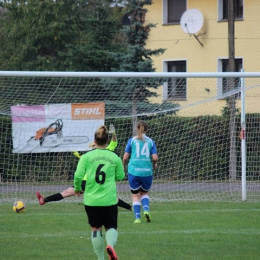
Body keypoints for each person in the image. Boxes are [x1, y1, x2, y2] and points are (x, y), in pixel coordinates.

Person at [36, 124, 132, 211]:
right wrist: (79, 156)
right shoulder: (93, 155)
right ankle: (45, 199)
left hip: (89, 182)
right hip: (88, 182)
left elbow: (114, 143)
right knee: (66, 192)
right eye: (93, 147)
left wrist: (113, 134)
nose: (94, 148)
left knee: (112, 199)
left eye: (94, 146)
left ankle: (131, 208)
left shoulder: (105, 151)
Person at [74, 125, 125, 260]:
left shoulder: (86, 157)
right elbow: (120, 176)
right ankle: (111, 246)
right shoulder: (114, 157)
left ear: (94, 140)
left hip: (91, 200)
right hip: (109, 199)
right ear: (107, 140)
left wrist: (78, 188)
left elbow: (78, 176)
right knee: (111, 227)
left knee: (95, 229)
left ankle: (100, 258)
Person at [123, 120, 158, 224]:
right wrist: (153, 164)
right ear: (147, 130)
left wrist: (124, 166)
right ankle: (146, 210)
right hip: (147, 172)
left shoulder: (132, 140)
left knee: (135, 195)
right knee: (144, 193)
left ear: (137, 129)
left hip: (134, 171)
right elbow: (155, 157)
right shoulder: (151, 141)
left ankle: (137, 218)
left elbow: (125, 158)